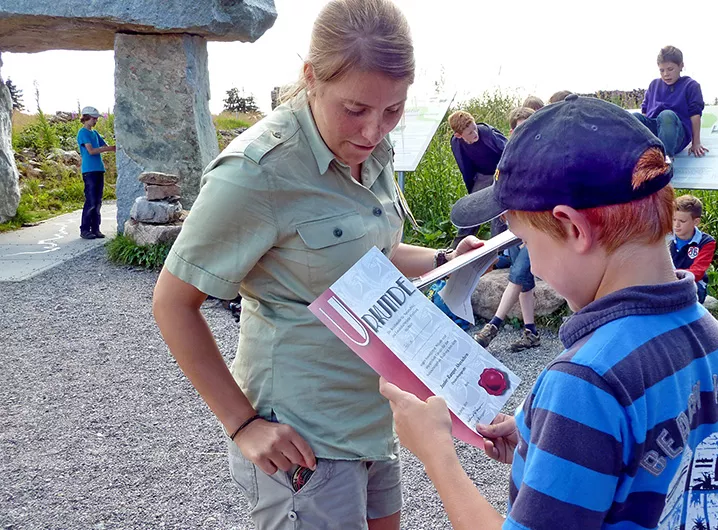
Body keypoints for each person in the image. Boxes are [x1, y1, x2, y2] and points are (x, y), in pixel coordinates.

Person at [151, 1, 480, 529]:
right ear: (311, 77)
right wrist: (242, 425)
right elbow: (172, 303)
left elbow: (366, 259)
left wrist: (445, 260)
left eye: (393, 110)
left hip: (372, 419)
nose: (374, 129)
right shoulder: (255, 173)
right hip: (305, 437)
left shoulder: (370, 151)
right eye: (356, 108)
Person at [380, 94, 718, 530]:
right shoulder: (715, 340)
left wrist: (437, 455)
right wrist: (539, 438)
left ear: (573, 227)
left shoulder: (588, 382)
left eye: (527, 243)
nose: (531, 265)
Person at [474, 106, 539, 351]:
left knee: (519, 273)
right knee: (525, 279)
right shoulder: (507, 158)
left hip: (537, 229)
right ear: (512, 131)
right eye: (521, 128)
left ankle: (493, 326)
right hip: (515, 227)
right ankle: (531, 332)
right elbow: (498, 190)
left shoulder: (543, 156)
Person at [634, 45, 708, 158]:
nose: (666, 74)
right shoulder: (654, 85)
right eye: (661, 70)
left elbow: (695, 115)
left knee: (666, 115)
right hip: (654, 131)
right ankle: (629, 153)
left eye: (670, 69)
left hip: (676, 131)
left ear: (681, 66)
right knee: (633, 117)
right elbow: (644, 113)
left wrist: (696, 143)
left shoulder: (690, 85)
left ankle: (665, 158)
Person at [447, 110, 507, 247]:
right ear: (458, 135)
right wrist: (472, 187)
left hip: (501, 171)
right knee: (473, 206)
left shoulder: (487, 132)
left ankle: (498, 248)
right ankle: (458, 245)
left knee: (497, 208)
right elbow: (465, 167)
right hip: (482, 175)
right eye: (469, 133)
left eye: (475, 128)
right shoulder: (456, 143)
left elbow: (510, 150)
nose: (475, 134)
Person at [76, 106, 115, 239]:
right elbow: (91, 151)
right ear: (86, 118)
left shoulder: (95, 133)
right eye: (94, 118)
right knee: (91, 201)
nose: (95, 121)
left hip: (99, 169)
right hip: (89, 170)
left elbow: (105, 145)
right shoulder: (83, 133)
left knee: (98, 201)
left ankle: (96, 228)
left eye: (96, 119)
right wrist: (108, 149)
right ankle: (85, 229)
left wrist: (114, 147)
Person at [670, 194, 716, 303]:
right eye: (674, 219)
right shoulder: (665, 236)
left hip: (693, 284)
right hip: (666, 281)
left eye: (682, 221)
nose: (676, 225)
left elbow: (698, 271)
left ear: (696, 222)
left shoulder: (706, 242)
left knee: (687, 296)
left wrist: (671, 276)